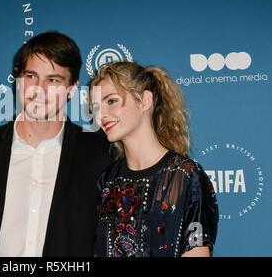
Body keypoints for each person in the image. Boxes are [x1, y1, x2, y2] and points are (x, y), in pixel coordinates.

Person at [0, 31, 112, 256]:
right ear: (18, 80)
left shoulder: (99, 154)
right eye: (31, 76)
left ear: (73, 87)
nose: (40, 89)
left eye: (53, 80)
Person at [90, 61, 218, 257]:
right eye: (96, 107)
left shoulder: (186, 177)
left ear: (145, 101)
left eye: (111, 101)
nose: (101, 115)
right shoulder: (107, 180)